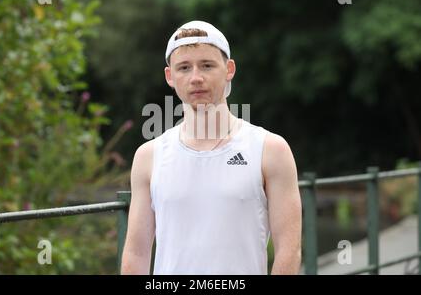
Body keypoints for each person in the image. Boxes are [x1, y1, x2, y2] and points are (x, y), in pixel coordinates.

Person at [121, 20, 302, 275]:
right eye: (184, 68)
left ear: (228, 69)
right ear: (170, 76)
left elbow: (289, 250)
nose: (196, 78)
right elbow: (136, 253)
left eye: (207, 65)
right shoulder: (149, 156)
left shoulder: (270, 150)